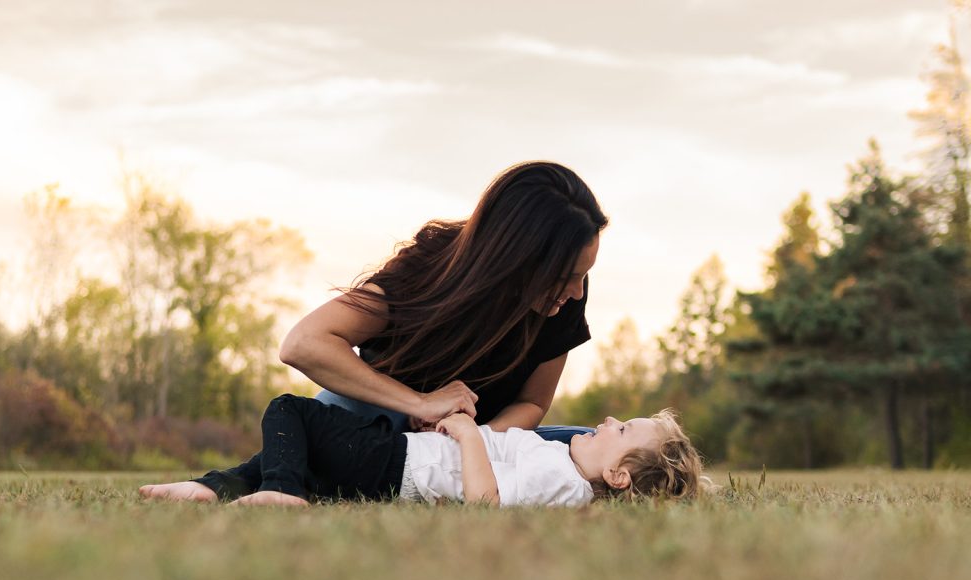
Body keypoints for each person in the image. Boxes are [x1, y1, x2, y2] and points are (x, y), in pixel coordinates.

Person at [141, 161, 608, 503]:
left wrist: (471, 440)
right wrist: (421, 405)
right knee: (312, 436)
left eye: (584, 274)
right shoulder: (429, 266)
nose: (576, 290)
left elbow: (533, 403)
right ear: (518, 255)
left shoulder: (566, 298)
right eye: (565, 274)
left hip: (484, 436)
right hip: (375, 413)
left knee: (599, 452)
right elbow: (303, 343)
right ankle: (216, 486)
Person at [142, 394, 703, 506]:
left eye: (623, 430)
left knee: (289, 411)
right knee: (296, 450)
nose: (608, 421)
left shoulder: (564, 484)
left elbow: (487, 500)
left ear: (619, 475)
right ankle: (211, 486)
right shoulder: (562, 466)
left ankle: (282, 494)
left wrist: (464, 434)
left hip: (395, 466)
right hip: (397, 461)